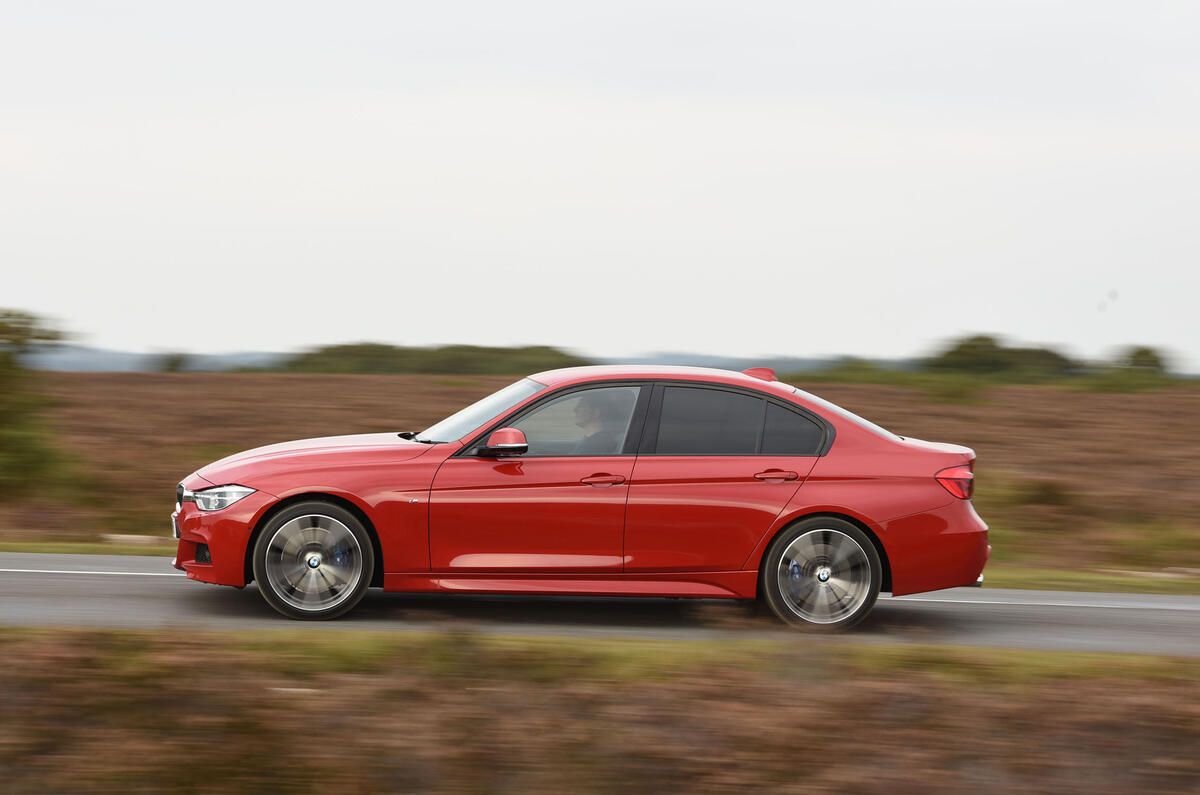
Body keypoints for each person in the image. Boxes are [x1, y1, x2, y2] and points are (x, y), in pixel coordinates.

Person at [571, 390, 631, 455]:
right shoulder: (593, 441)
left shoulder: (597, 445)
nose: (575, 409)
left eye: (581, 405)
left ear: (596, 413)